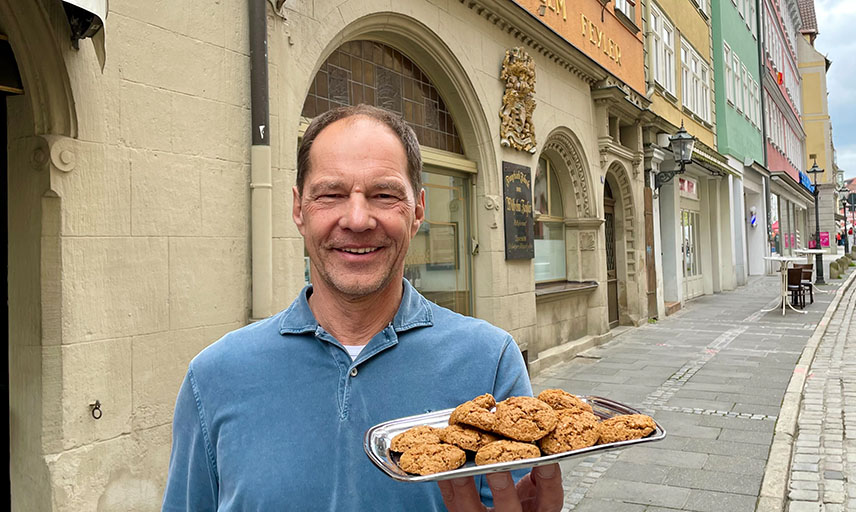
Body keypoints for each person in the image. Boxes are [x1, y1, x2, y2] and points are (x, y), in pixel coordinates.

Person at [162, 105, 563, 511]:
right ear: (299, 209)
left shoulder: (489, 362)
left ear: (418, 210)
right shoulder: (214, 377)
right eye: (331, 194)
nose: (357, 219)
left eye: (384, 195)